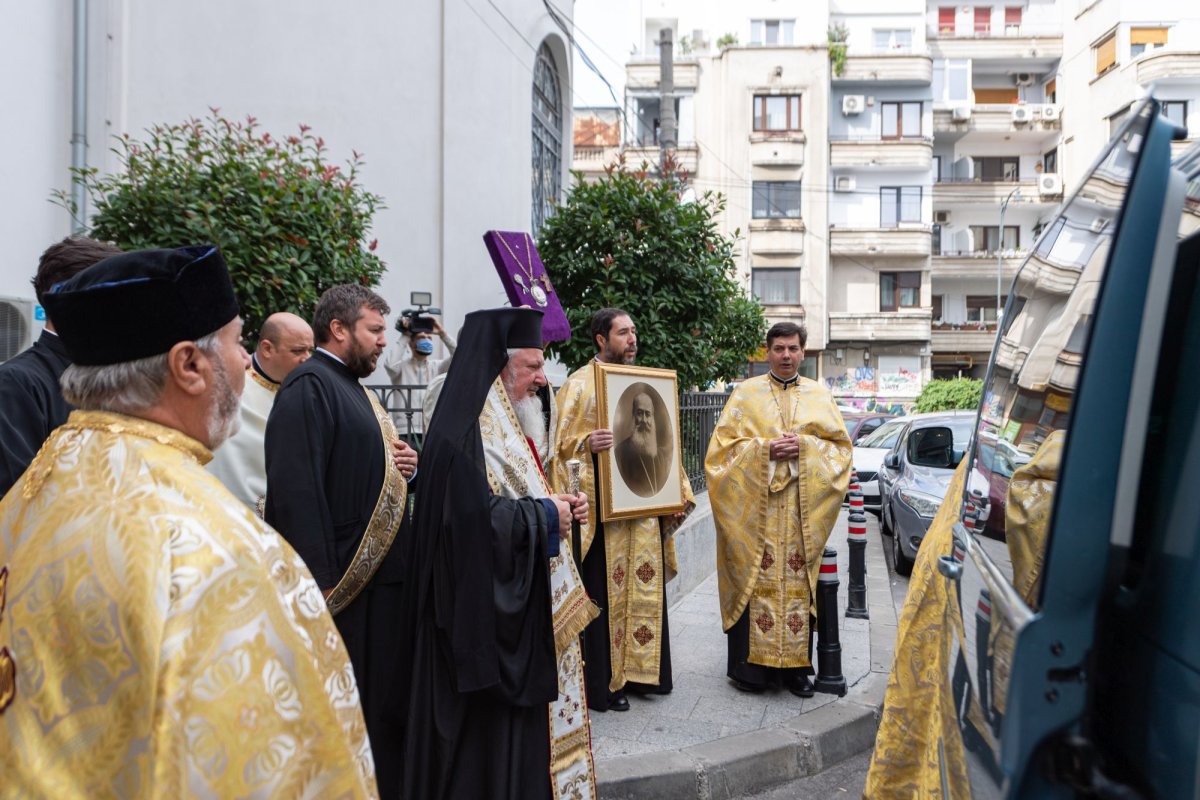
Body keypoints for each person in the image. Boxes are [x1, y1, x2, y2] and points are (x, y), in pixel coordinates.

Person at [0, 245, 376, 797]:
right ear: (189, 365)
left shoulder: (36, 491)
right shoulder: (219, 550)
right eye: (237, 340)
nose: (245, 359)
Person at [402, 308, 597, 800]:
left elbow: (516, 492)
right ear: (500, 363)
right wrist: (544, 517)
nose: (541, 378)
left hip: (520, 607)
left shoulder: (508, 414)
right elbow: (464, 523)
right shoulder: (465, 421)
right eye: (532, 366)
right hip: (482, 624)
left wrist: (558, 506)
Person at [264, 285, 417, 799]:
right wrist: (321, 590)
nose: (382, 343)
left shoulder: (355, 389)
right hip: (347, 597)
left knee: (381, 718)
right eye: (374, 331)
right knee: (353, 721)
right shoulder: (309, 386)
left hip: (381, 594)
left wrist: (404, 468)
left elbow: (364, 469)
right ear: (339, 328)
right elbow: (297, 494)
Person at [552, 308, 694, 713]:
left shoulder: (642, 382)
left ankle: (644, 675)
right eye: (623, 333)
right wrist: (587, 445)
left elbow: (663, 444)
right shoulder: (578, 387)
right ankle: (607, 685)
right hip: (604, 518)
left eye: (634, 331)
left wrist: (675, 492)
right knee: (607, 595)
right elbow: (558, 451)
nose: (632, 339)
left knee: (646, 589)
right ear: (601, 339)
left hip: (643, 511)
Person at [704, 321, 852, 697]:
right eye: (779, 349)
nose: (786, 355)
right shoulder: (745, 395)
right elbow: (719, 456)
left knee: (799, 589)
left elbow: (841, 452)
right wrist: (763, 451)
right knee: (757, 584)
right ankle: (752, 671)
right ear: (767, 352)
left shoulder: (820, 396)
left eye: (793, 349)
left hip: (802, 516)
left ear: (803, 352)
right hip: (759, 515)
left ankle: (796, 672)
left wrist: (805, 448)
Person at [0, 236, 121, 498]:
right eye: (109, 292)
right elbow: (18, 496)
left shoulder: (121, 376)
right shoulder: (16, 382)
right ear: (63, 298)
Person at [207, 311, 313, 512]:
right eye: (298, 351)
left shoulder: (309, 390)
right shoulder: (232, 390)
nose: (306, 359)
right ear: (267, 349)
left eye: (310, 350)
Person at [382, 315, 456, 444]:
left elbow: (459, 357)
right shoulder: (401, 367)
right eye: (421, 337)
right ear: (411, 343)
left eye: (429, 338)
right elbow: (390, 365)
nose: (426, 340)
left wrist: (443, 334)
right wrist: (406, 335)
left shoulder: (438, 367)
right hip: (404, 430)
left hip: (431, 429)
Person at [614, 391, 671, 497]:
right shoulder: (620, 453)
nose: (644, 420)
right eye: (639, 413)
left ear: (652, 418)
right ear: (633, 415)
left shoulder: (660, 456)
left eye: (648, 414)